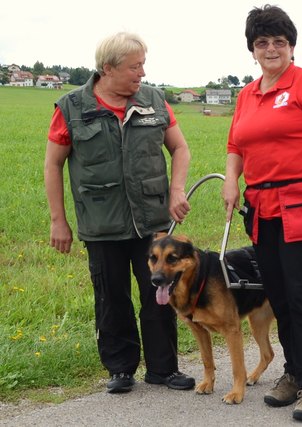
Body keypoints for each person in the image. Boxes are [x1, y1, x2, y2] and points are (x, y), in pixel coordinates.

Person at [44, 32, 195, 394]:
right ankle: (121, 369)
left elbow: (181, 148)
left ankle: (163, 369)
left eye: (143, 64)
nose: (142, 73)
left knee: (159, 294)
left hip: (151, 221)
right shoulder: (72, 108)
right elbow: (53, 165)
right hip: (101, 223)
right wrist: (58, 220)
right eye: (135, 66)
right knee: (111, 298)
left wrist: (176, 189)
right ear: (107, 69)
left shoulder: (155, 100)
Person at [221, 4, 302, 422]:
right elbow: (236, 144)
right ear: (252, 50)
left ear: (291, 46)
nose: (270, 48)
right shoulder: (247, 94)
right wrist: (230, 179)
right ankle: (293, 373)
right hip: (262, 211)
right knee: (279, 297)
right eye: (262, 42)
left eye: (278, 41)